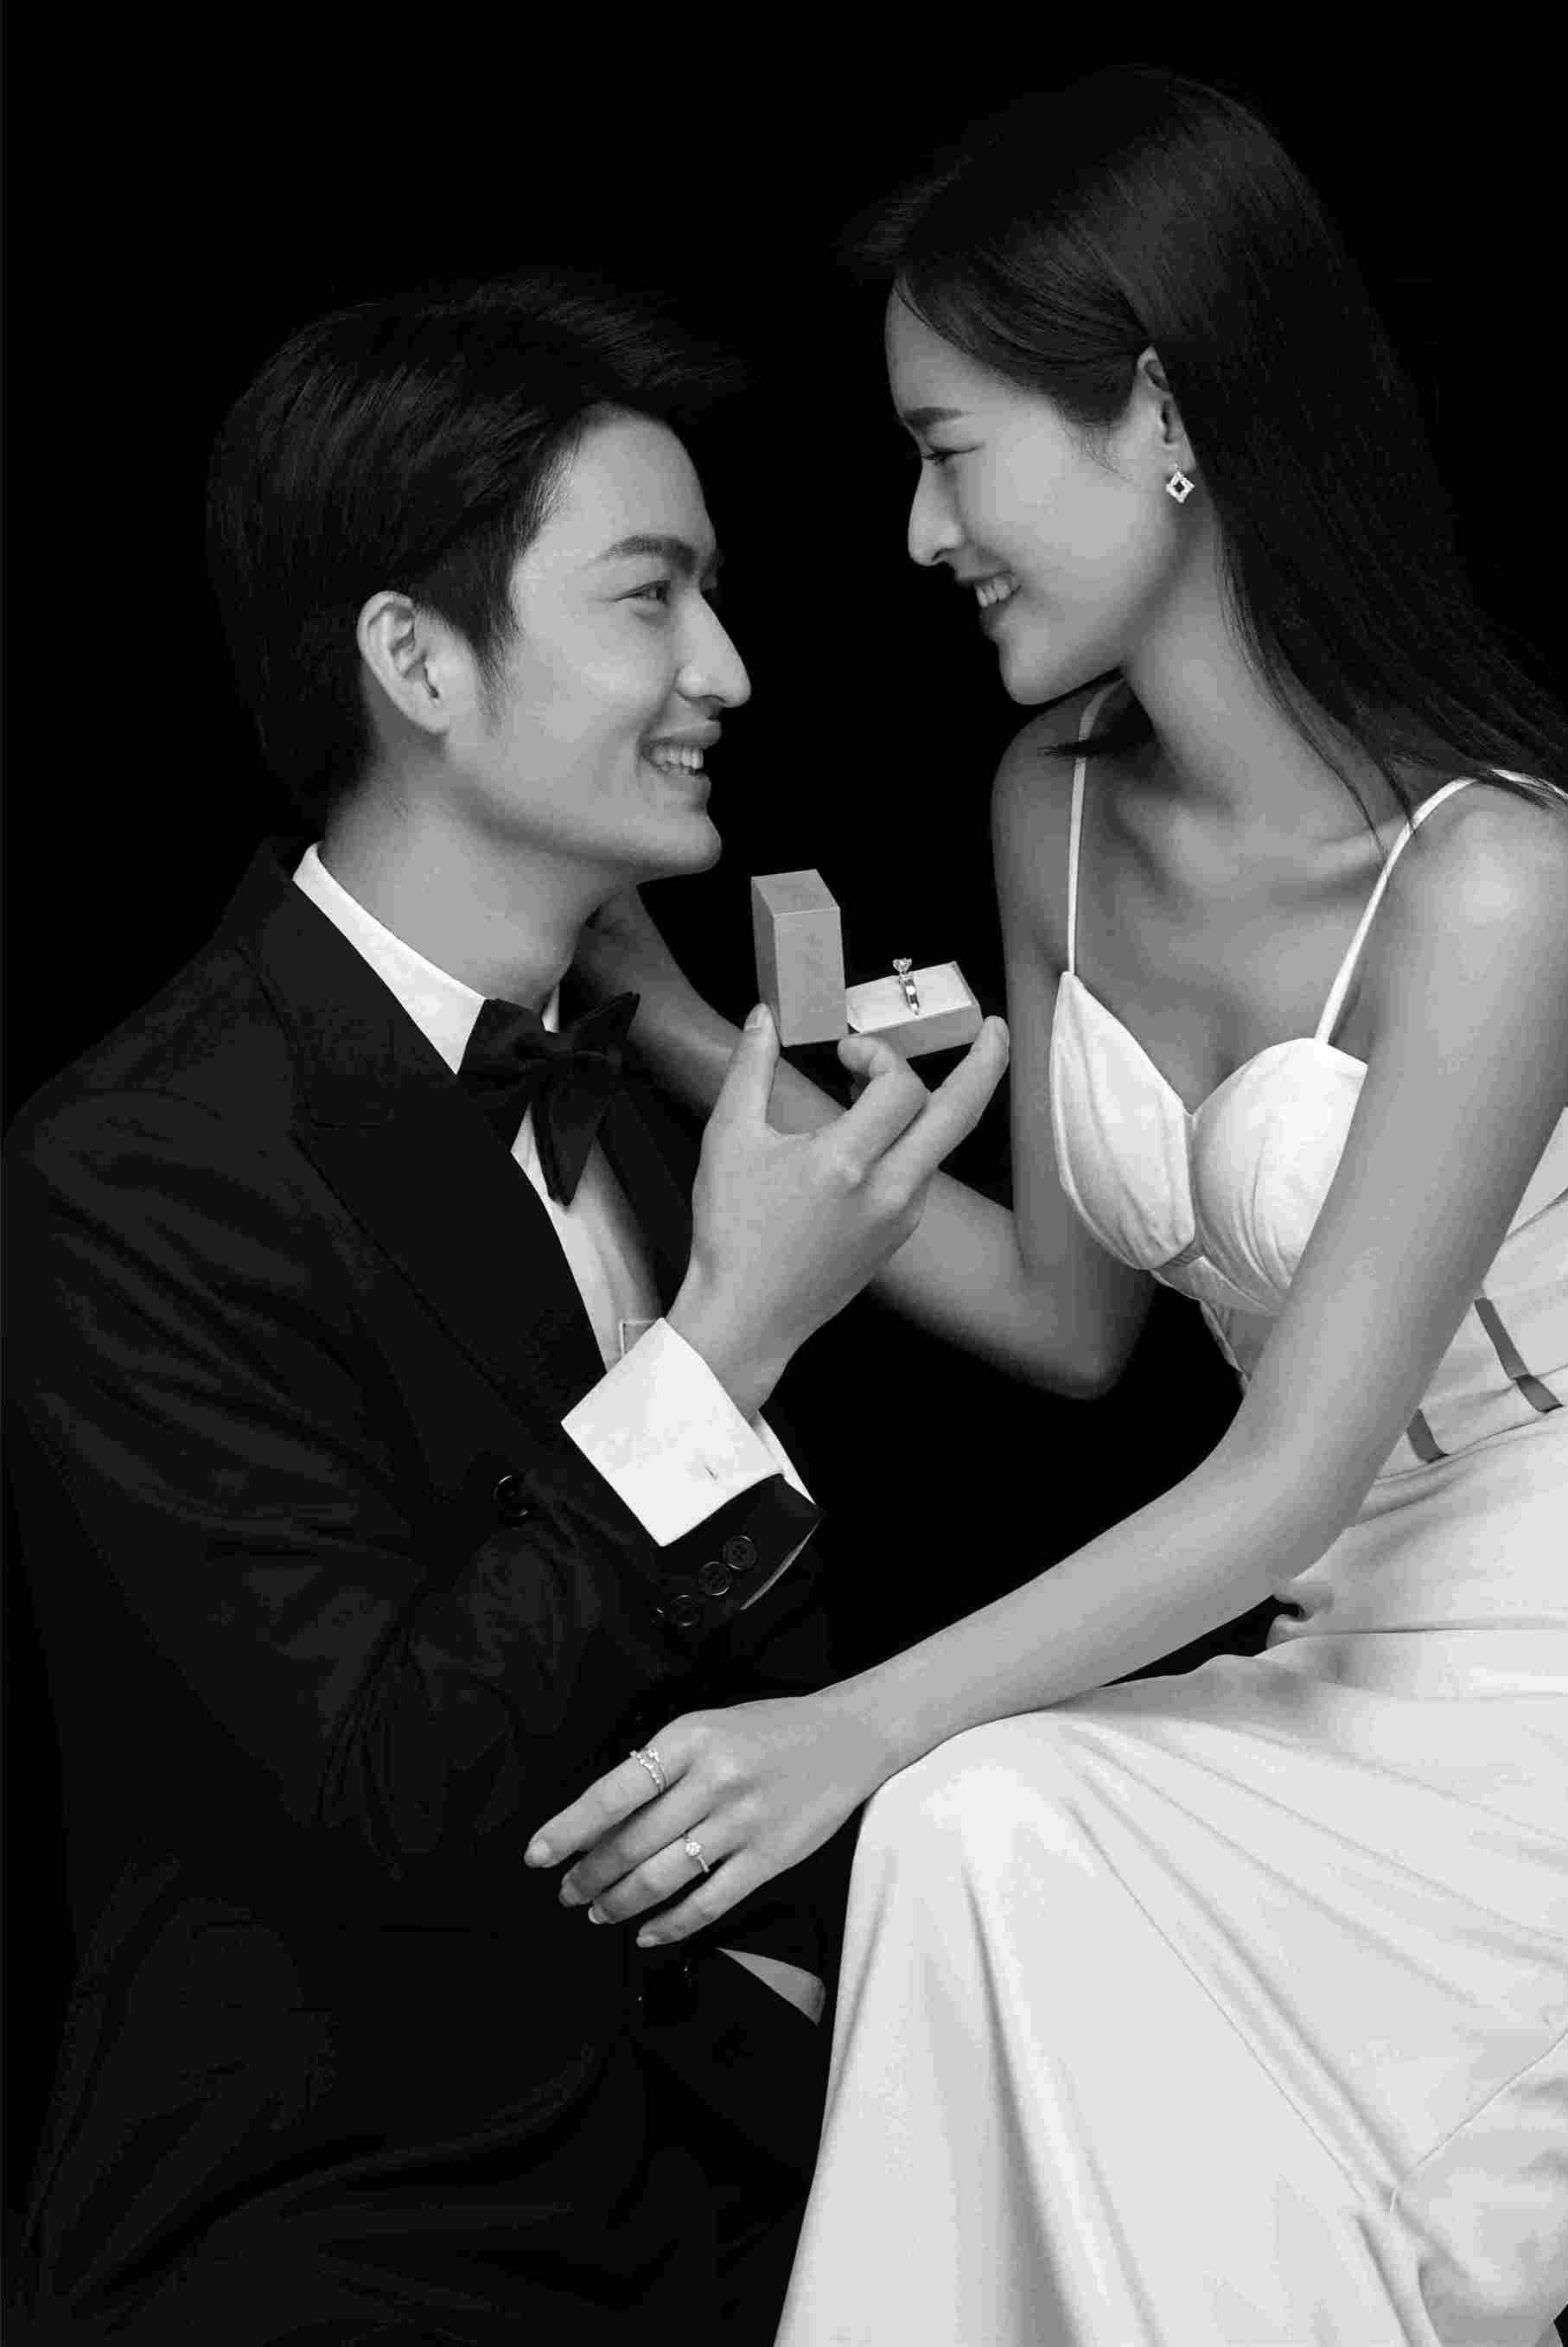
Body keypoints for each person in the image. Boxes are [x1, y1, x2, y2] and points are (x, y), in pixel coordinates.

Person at [532, 69, 1568, 2345]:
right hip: (1338, 1649)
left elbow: (1286, 1472)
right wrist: (679, 1036)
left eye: (948, 451)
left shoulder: (1499, 883)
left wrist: (856, 1726)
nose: (919, 532)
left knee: (955, 1808)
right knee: (984, 1839)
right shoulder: (1050, 804)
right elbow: (1068, 1317)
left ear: (1155, 410)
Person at [0, 270, 1015, 2343]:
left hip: (725, 2171)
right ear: (417, 661)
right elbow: (386, 1797)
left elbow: (755, 1687)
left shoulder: (633, 1083)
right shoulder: (136, 1165)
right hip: (340, 2228)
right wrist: (723, 1347)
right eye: (651, 599)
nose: (726, 669)